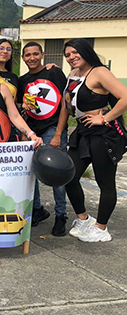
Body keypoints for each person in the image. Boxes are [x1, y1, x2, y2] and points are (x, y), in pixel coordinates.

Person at [61, 39, 127, 242]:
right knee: (69, 176)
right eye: (68, 54)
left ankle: (101, 227)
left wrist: (104, 118)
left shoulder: (99, 72)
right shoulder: (73, 74)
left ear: (85, 52)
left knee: (104, 181)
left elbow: (125, 97)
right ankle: (83, 219)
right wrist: (58, 133)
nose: (71, 57)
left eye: (75, 52)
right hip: (81, 132)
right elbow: (66, 106)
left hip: (102, 134)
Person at [19, 42, 69, 236]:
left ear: (42, 55)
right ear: (23, 58)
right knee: (34, 170)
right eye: (27, 55)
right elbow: (23, 108)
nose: (31, 58)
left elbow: (64, 104)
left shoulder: (54, 73)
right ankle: (38, 209)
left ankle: (61, 214)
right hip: (33, 130)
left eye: (35, 54)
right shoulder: (23, 80)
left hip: (52, 128)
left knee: (56, 172)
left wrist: (58, 133)